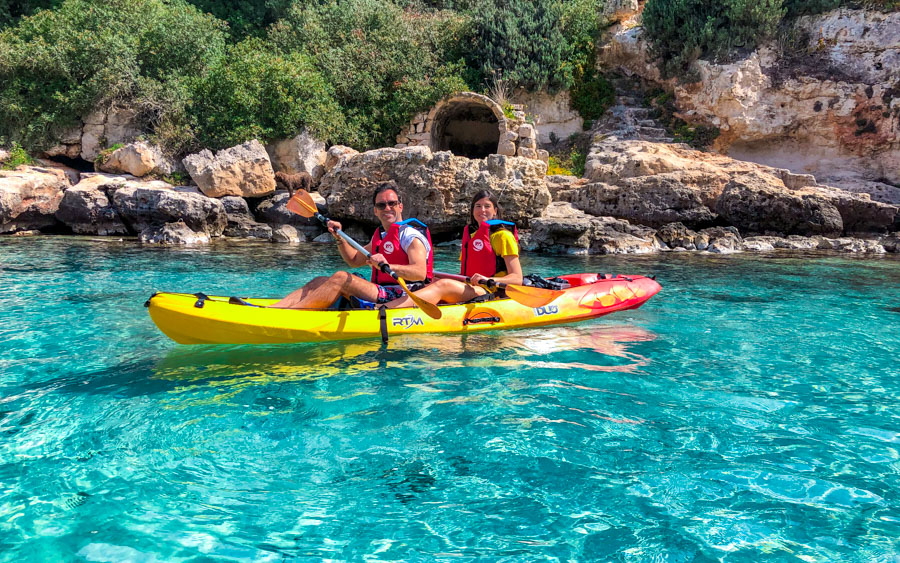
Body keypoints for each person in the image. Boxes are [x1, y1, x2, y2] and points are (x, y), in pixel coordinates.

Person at [271, 183, 433, 309]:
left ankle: (294, 315)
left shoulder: (410, 236)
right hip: (382, 290)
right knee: (319, 281)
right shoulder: (381, 236)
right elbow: (354, 260)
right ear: (375, 211)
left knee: (341, 278)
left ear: (400, 206)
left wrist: (388, 266)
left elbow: (420, 273)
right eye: (381, 205)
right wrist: (339, 238)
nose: (387, 208)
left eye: (392, 203)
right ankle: (273, 310)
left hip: (404, 293)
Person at [385, 189, 521, 309]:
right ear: (473, 211)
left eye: (487, 206)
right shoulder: (472, 238)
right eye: (478, 206)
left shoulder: (503, 236)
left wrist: (486, 278)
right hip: (473, 287)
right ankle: (405, 305)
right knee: (432, 281)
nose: (482, 210)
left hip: (491, 291)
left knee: (443, 285)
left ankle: (385, 309)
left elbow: (517, 278)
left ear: (495, 211)